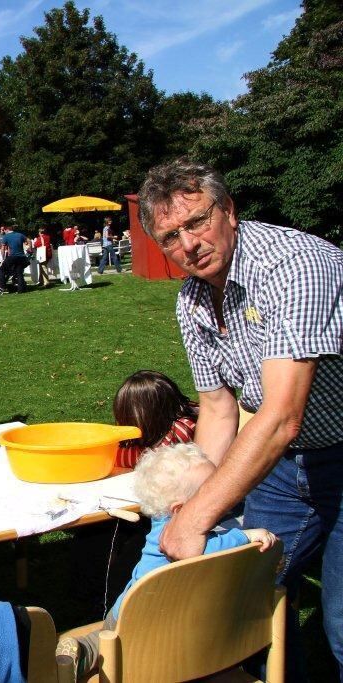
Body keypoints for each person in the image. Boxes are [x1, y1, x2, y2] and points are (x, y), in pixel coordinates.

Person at [138, 158, 343, 679]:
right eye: (170, 236)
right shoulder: (193, 301)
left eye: (197, 221)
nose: (188, 244)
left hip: (323, 444)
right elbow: (217, 407)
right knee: (238, 599)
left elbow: (279, 417)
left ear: (228, 210)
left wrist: (198, 516)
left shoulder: (295, 266)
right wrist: (187, 496)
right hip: (283, 463)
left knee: (341, 624)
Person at [56, 443, 277, 679]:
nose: (220, 496)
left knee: (104, 638)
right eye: (209, 492)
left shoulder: (176, 530)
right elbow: (208, 551)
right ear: (179, 509)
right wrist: (245, 536)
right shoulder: (173, 540)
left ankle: (84, 651)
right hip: (138, 619)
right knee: (110, 637)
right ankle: (83, 651)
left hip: (151, 615)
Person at [112, 370, 198, 468]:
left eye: (128, 418)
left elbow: (151, 458)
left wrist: (111, 453)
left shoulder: (182, 428)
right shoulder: (161, 427)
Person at [0, 225, 31, 294]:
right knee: (19, 272)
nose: (4, 232)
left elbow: (3, 248)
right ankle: (21, 290)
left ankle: (2, 286)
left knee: (1, 269)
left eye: (4, 230)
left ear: (7, 230)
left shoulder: (6, 236)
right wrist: (29, 248)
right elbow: (29, 240)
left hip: (13, 257)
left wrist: (2, 259)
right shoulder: (20, 235)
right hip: (22, 257)